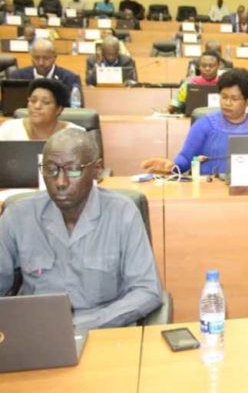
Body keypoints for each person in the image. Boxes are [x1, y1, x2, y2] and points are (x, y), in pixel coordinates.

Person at [0, 129, 162, 330]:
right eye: (51, 169)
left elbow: (147, 291)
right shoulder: (18, 216)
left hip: (106, 330)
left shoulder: (123, 214)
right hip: (37, 331)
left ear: (96, 170)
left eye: (74, 170)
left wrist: (81, 325)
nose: (60, 182)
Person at [142, 68, 248, 175]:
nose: (227, 103)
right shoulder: (204, 124)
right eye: (224, 97)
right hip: (208, 190)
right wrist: (171, 167)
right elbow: (185, 159)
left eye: (234, 98)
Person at [0, 78, 83, 140]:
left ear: (59, 109)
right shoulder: (8, 129)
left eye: (46, 102)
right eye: (33, 100)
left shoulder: (76, 134)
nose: (37, 106)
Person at [10, 39, 83, 95]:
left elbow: (76, 110)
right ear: (31, 57)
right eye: (36, 58)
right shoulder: (18, 76)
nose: (41, 63)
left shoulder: (70, 79)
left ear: (55, 58)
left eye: (46, 58)